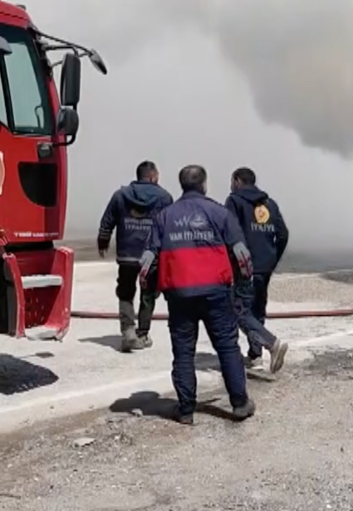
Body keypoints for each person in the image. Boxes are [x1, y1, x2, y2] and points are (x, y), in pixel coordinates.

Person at [138, 164, 256, 425]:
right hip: (216, 293)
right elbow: (242, 255)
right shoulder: (220, 213)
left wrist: (150, 291)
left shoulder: (164, 217)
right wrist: (243, 285)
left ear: (182, 185)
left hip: (179, 295)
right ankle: (239, 403)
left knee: (183, 352)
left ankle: (186, 410)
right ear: (204, 184)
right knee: (227, 347)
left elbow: (146, 261)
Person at [97, 160, 174, 352]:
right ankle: (142, 333)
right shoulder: (164, 197)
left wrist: (103, 242)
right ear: (152, 176)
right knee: (148, 294)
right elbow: (169, 228)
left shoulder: (120, 195)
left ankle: (128, 332)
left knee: (125, 292)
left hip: (126, 256)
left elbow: (107, 221)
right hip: (151, 257)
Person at [225, 167, 290, 373]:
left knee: (239, 310)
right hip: (265, 265)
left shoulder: (234, 201)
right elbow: (283, 234)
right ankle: (255, 356)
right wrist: (272, 258)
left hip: (245, 266)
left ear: (237, 181)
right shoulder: (270, 204)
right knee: (257, 309)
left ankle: (271, 343)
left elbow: (230, 232)